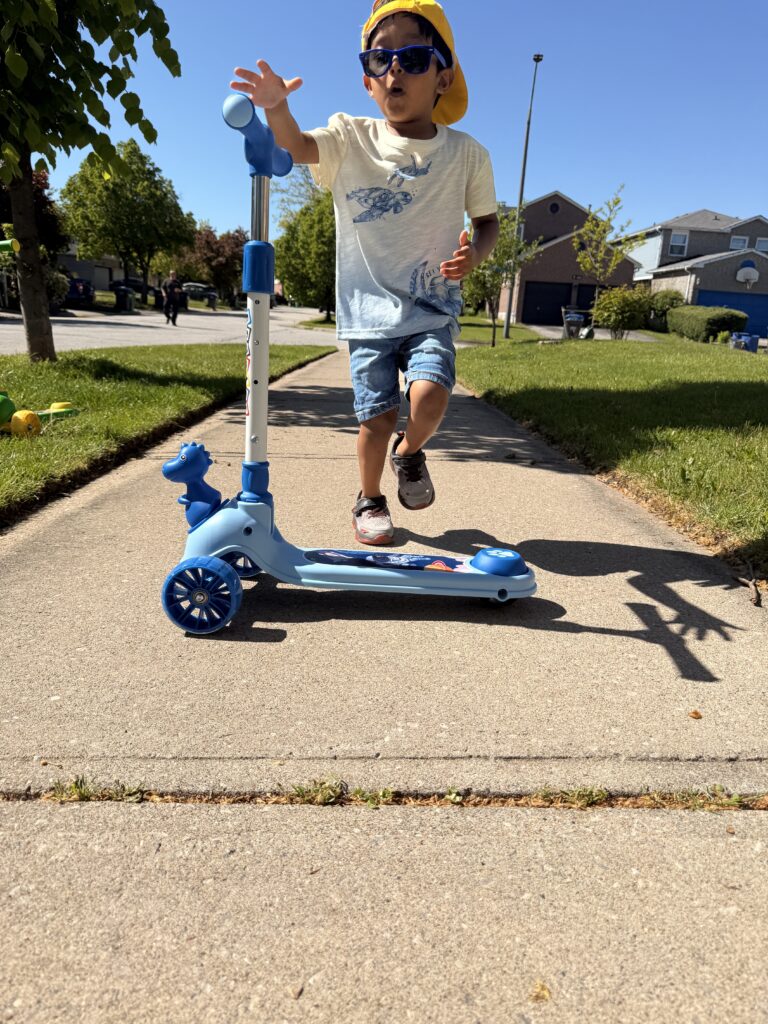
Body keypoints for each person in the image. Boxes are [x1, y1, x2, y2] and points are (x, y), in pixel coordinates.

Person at [231, 0, 499, 544]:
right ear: (367, 80)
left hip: (431, 307)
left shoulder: (468, 155)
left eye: (413, 57)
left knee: (429, 398)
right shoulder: (350, 136)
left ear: (443, 76)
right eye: (380, 59)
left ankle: (410, 452)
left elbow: (488, 222)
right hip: (367, 311)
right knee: (375, 417)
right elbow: (297, 146)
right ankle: (370, 498)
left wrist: (478, 254)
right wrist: (277, 107)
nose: (395, 68)